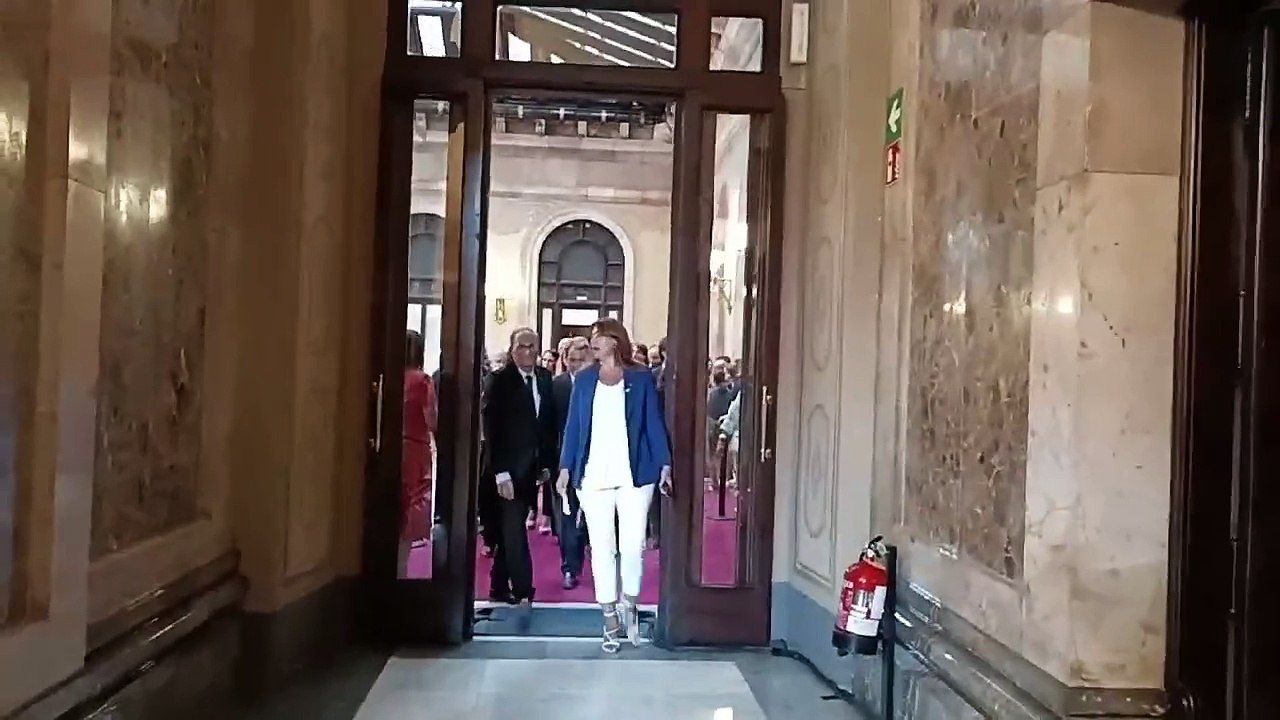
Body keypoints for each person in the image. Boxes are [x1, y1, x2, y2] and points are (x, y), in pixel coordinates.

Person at [557, 318, 672, 652]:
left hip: (635, 474)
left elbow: (653, 421)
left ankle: (630, 606)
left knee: (632, 545)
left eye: (600, 336)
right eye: (592, 337)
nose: (593, 341)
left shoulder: (640, 378)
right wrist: (566, 467)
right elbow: (574, 427)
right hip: (593, 475)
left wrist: (664, 462)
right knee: (602, 548)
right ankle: (609, 617)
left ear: (616, 341)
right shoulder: (584, 380)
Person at [482, 327, 557, 605]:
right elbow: (492, 430)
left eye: (533, 346)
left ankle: (498, 586)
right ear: (512, 350)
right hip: (506, 471)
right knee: (514, 531)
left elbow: (547, 426)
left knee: (508, 531)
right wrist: (500, 472)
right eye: (522, 346)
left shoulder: (545, 379)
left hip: (533, 470)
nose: (528, 352)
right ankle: (524, 588)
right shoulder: (499, 381)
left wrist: (547, 464)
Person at [551, 336, 590, 589]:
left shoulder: (598, 385)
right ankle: (569, 568)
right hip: (562, 462)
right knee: (566, 517)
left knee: (588, 517)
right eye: (571, 360)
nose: (575, 365)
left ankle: (585, 547)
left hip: (593, 462)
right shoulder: (557, 386)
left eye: (580, 361)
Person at [400, 330, 437, 577]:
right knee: (411, 506)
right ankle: (401, 567)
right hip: (415, 446)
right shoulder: (422, 380)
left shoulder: (392, 376)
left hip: (394, 444)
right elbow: (430, 417)